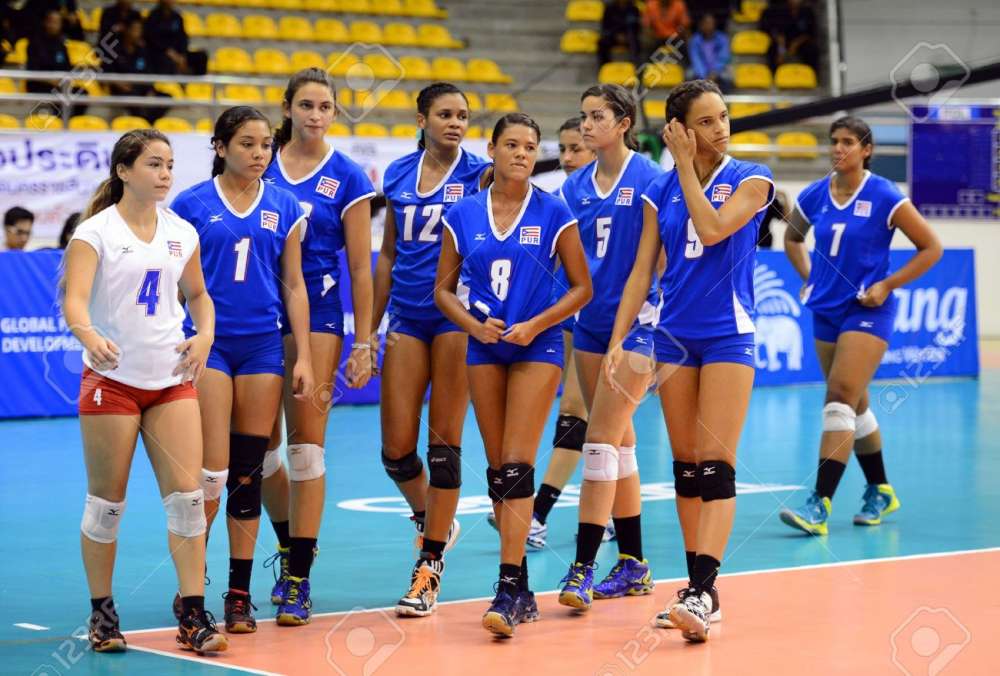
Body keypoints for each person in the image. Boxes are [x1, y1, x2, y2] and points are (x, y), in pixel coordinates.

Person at [609, 79, 775, 642]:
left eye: (723, 116)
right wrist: (619, 338)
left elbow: (712, 228)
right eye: (706, 121)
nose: (720, 128)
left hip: (729, 334)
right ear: (678, 129)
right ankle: (699, 591)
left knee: (715, 465)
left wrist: (683, 166)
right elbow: (642, 269)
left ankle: (702, 590)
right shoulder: (658, 190)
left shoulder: (752, 178)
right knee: (685, 467)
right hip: (674, 337)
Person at [62, 129, 225, 654]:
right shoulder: (95, 232)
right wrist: (89, 336)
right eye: (154, 164)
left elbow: (198, 295)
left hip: (172, 380)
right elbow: (75, 301)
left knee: (188, 502)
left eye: (170, 164)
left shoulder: (181, 231)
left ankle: (193, 616)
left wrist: (205, 335)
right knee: (106, 506)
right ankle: (102, 615)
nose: (165, 174)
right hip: (112, 382)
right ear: (123, 171)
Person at [436, 113, 592, 637]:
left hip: (536, 346)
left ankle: (505, 588)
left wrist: (536, 324)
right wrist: (473, 326)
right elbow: (442, 291)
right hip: (484, 346)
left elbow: (582, 288)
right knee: (498, 469)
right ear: (493, 150)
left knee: (518, 464)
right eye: (512, 145)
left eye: (529, 146)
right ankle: (520, 586)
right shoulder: (463, 213)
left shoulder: (553, 211)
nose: (522, 153)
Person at [169, 106, 315, 634]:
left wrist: (304, 354)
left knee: (250, 472)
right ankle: (191, 590)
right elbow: (177, 284)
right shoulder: (190, 204)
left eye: (265, 145)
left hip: (261, 349)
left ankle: (238, 595)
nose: (258, 154)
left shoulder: (285, 205)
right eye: (247, 144)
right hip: (210, 346)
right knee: (213, 474)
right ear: (220, 147)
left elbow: (294, 284)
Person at [779, 116, 942, 535]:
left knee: (838, 397)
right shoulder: (815, 193)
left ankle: (819, 504)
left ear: (866, 150)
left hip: (867, 309)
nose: (838, 148)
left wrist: (887, 285)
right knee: (854, 402)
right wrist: (809, 277)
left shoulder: (884, 194)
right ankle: (880, 490)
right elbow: (792, 238)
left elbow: (931, 247)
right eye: (834, 141)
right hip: (825, 308)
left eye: (848, 141)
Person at [258, 68, 375, 625]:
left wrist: (364, 340)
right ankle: (288, 542)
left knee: (307, 449)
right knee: (260, 454)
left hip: (321, 314)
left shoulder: (347, 175)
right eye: (306, 105)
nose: (316, 115)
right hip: (259, 312)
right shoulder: (262, 162)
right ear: (287, 108)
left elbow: (361, 266)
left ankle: (299, 576)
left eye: (325, 106)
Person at [372, 82, 492, 617]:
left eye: (463, 115)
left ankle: (429, 566)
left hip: (455, 317)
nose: (456, 123)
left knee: (444, 444)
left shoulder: (480, 176)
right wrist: (365, 334)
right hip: (406, 315)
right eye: (445, 114)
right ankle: (432, 518)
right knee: (396, 451)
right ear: (421, 119)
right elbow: (387, 254)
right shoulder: (398, 173)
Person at [555, 84, 663, 612]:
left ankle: (582, 568)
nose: (586, 125)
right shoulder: (573, 187)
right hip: (591, 324)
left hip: (640, 324)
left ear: (624, 123)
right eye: (584, 116)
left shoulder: (650, 178)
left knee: (598, 440)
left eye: (598, 116)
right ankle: (634, 563)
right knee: (619, 443)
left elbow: (661, 258)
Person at [488, 116, 605, 549]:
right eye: (564, 150)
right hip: (566, 312)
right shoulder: (554, 201)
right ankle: (575, 512)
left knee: (591, 417)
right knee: (580, 415)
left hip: (607, 316)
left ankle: (540, 513)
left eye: (578, 149)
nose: (568, 158)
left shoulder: (617, 199)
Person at [105, 16, 169, 123]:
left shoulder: (142, 51)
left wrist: (150, 90)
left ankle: (149, 122)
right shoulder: (114, 50)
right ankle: (143, 123)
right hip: (122, 90)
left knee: (166, 98)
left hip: (141, 89)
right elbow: (106, 71)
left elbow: (148, 72)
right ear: (127, 30)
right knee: (134, 99)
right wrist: (118, 83)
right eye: (135, 29)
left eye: (140, 30)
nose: (138, 33)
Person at [144, 0, 206, 75]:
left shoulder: (177, 17)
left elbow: (183, 38)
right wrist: (169, 52)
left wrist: (182, 55)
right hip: (161, 54)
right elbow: (153, 39)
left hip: (178, 53)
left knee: (201, 56)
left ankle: (196, 81)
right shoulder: (153, 17)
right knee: (165, 60)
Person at [762, 0, 819, 72]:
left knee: (811, 50)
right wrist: (781, 50)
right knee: (773, 49)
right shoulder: (781, 11)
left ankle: (811, 73)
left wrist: (796, 44)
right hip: (784, 41)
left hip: (801, 42)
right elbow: (779, 33)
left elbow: (809, 33)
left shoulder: (807, 12)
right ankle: (774, 73)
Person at [688, 13, 731, 92]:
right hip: (701, 71)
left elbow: (723, 57)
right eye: (706, 23)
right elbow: (695, 58)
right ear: (701, 25)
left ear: (714, 25)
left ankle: (723, 97)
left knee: (728, 77)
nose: (708, 26)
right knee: (689, 75)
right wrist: (703, 75)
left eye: (711, 23)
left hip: (718, 70)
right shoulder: (695, 40)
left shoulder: (722, 38)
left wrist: (715, 72)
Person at [598, 0, 641, 66]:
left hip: (629, 37)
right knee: (602, 42)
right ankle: (605, 66)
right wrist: (615, 35)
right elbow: (605, 27)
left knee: (636, 43)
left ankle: (635, 66)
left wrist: (626, 36)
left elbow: (636, 27)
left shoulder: (634, 9)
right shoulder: (609, 8)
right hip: (613, 36)